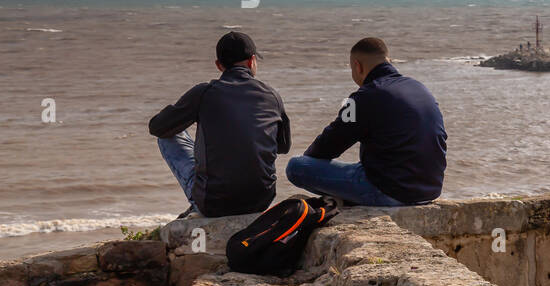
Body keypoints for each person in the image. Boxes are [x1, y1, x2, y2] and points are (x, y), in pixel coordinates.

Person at [287, 37, 446, 206]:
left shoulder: (364, 96)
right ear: (388, 60)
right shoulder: (419, 87)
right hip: (430, 190)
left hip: (390, 192)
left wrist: (310, 161)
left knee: (296, 166)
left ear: (358, 66)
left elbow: (329, 144)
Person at [148, 31, 291, 218]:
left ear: (219, 65)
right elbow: (283, 147)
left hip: (215, 204)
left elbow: (157, 128)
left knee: (169, 137)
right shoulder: (272, 95)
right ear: (252, 61)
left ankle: (197, 203)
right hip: (261, 200)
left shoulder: (204, 93)